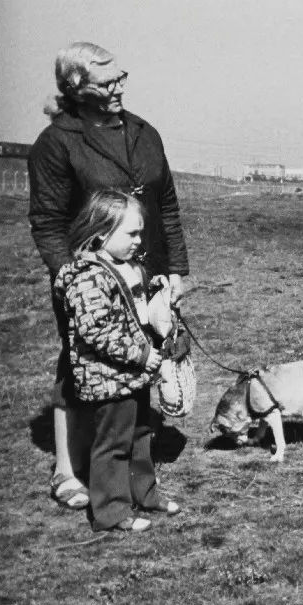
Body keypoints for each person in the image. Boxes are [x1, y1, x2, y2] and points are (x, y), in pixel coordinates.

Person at [28, 42, 189, 511]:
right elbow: (48, 222)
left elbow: (168, 207)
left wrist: (176, 268)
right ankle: (67, 469)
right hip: (92, 278)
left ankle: (128, 469)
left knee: (140, 362)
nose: (120, 86)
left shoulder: (144, 132)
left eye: (122, 76)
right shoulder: (58, 142)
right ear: (77, 87)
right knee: (79, 366)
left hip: (148, 269)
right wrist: (71, 279)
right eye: (108, 80)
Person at [54, 190, 183, 532]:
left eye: (141, 232)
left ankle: (144, 492)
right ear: (100, 234)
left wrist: (152, 287)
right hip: (108, 378)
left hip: (133, 376)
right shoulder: (88, 278)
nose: (139, 240)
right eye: (132, 233)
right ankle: (111, 511)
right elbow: (96, 331)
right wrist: (141, 353)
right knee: (113, 443)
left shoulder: (126, 267)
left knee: (141, 434)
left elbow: (133, 307)